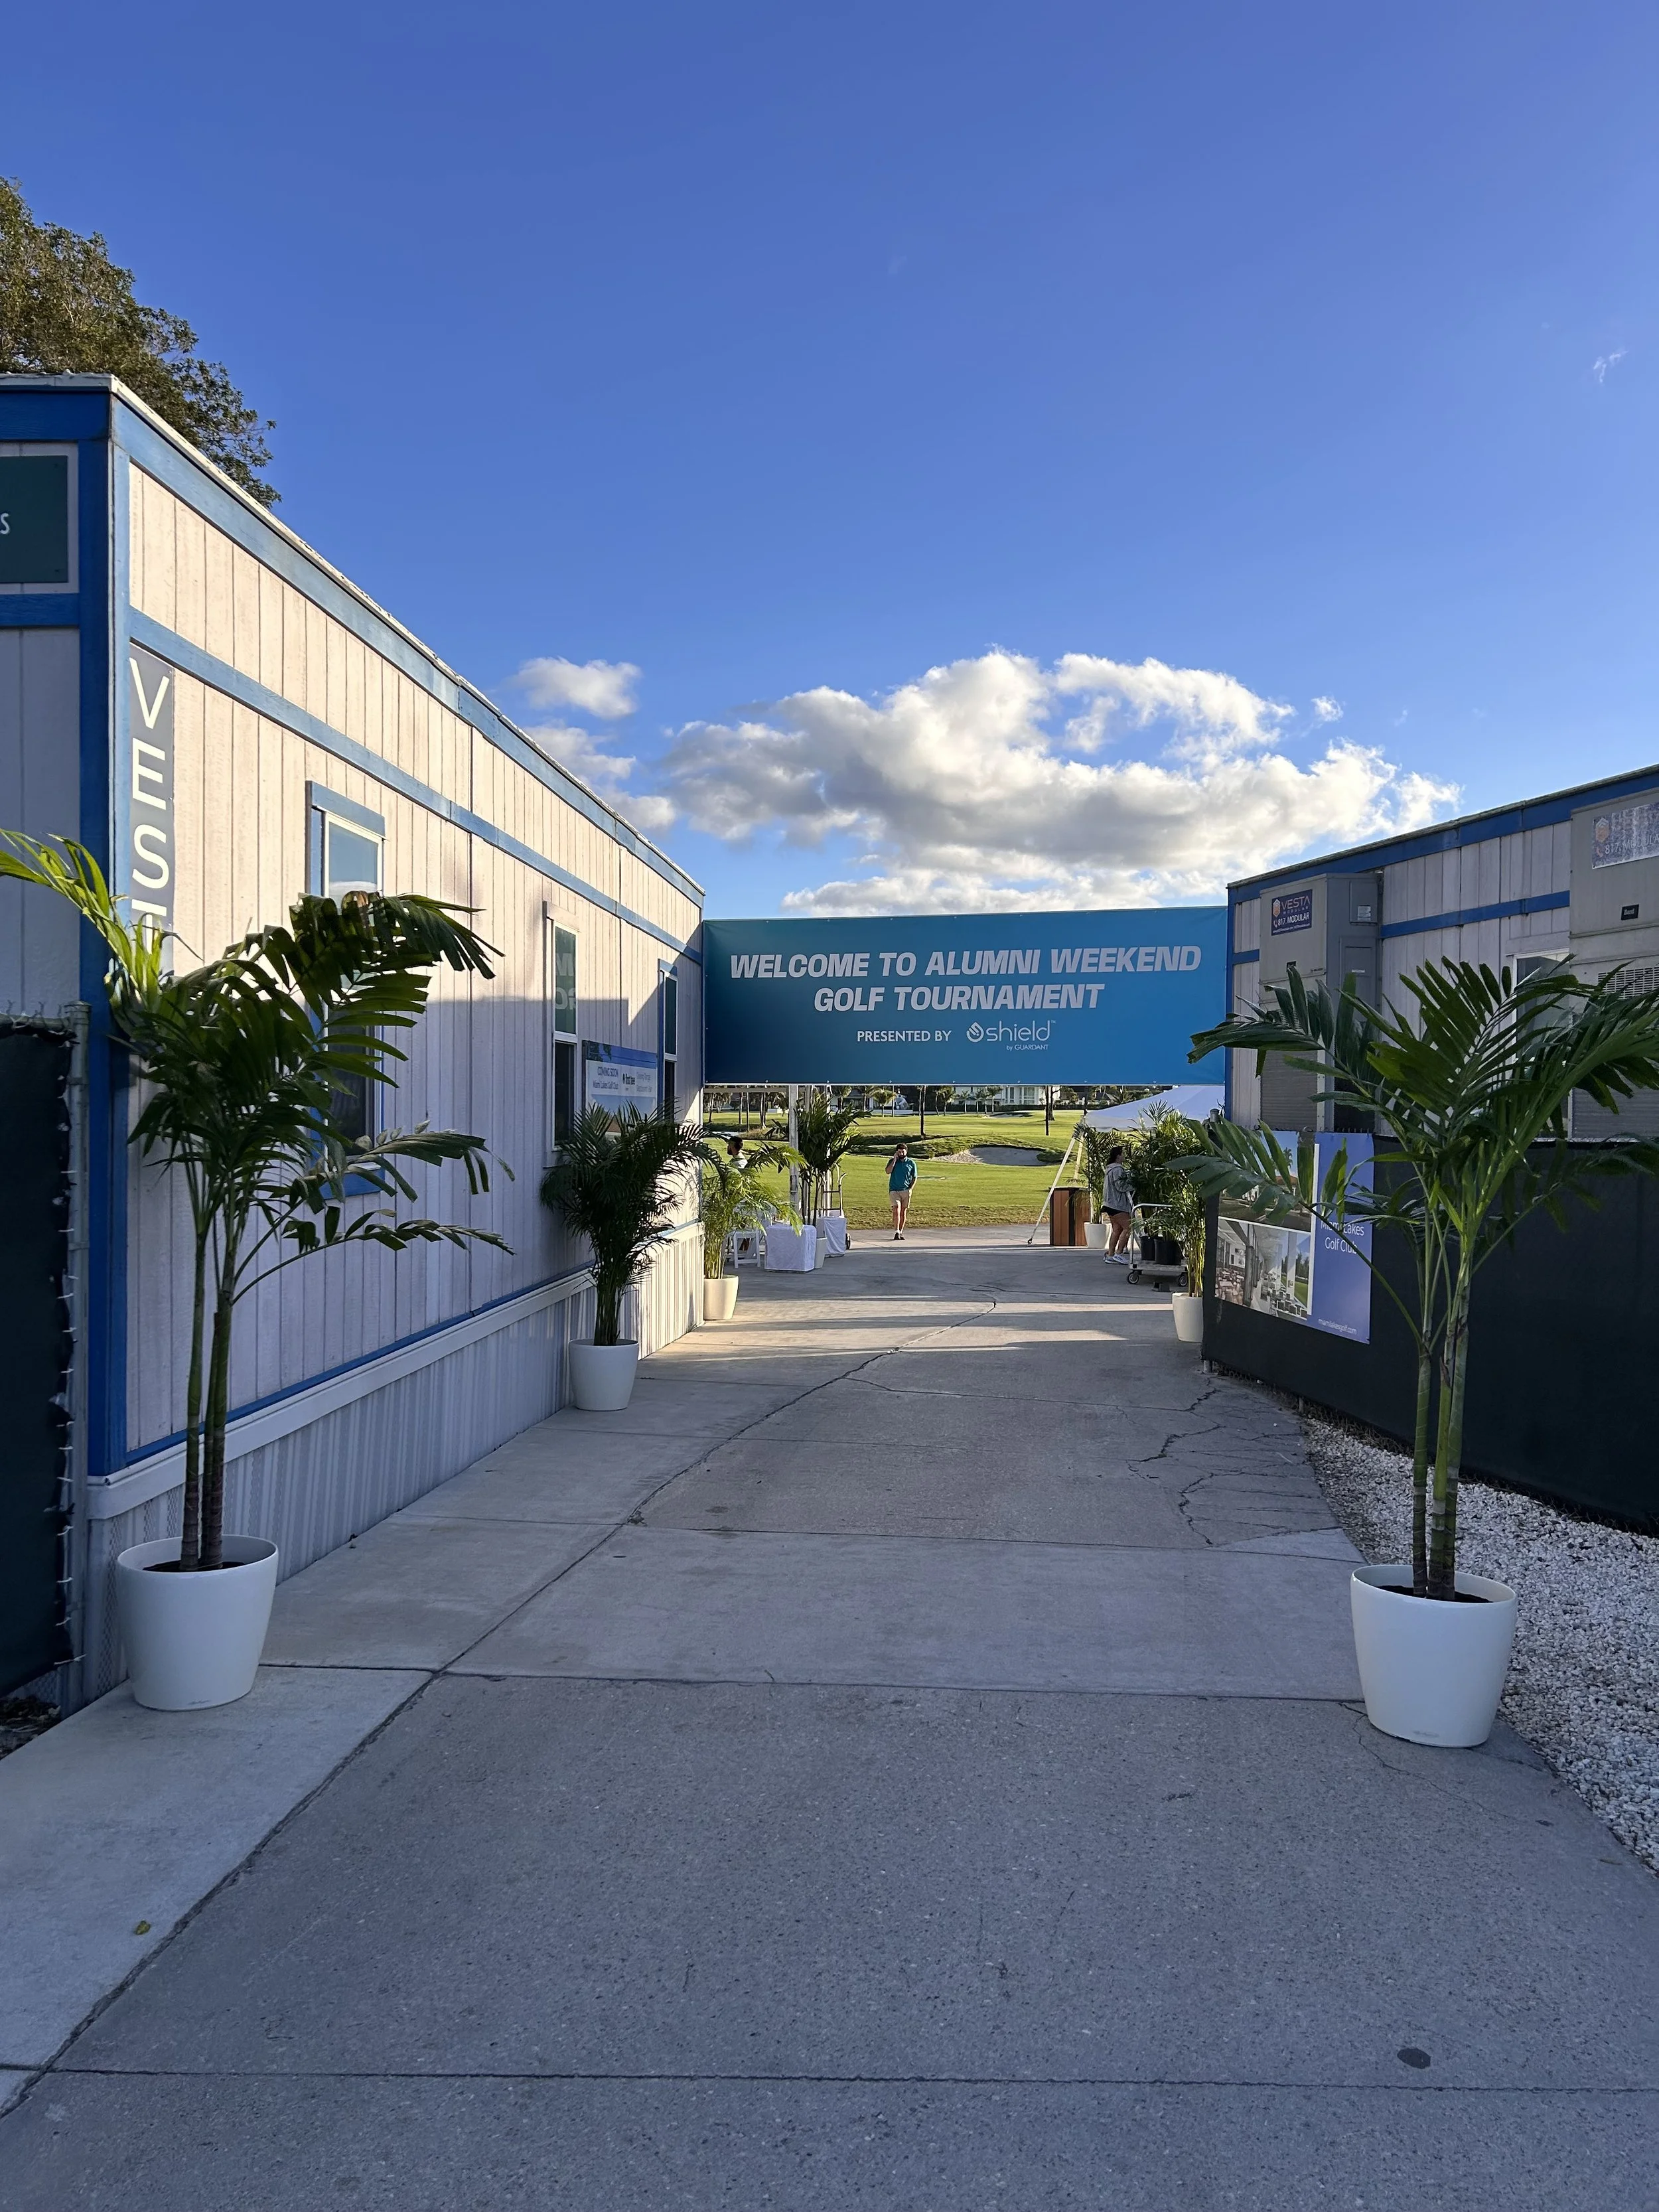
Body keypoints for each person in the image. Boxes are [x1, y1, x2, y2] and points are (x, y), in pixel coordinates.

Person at [1102, 1145, 1135, 1262]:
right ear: (1118, 1156)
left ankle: (1110, 1255)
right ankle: (1119, 1253)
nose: (1124, 1156)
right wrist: (1134, 1185)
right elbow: (1121, 1186)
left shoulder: (1109, 1169)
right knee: (1129, 1227)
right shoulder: (1118, 1170)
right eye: (1123, 1154)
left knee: (1117, 1229)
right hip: (1118, 1204)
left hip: (1109, 1204)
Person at [886, 1142, 918, 1238]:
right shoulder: (892, 1161)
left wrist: (910, 1189)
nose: (901, 1154)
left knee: (903, 1212)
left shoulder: (911, 1163)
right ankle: (896, 1232)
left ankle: (900, 1231)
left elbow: (914, 1177)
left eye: (903, 1152)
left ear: (906, 1152)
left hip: (905, 1190)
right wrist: (894, 1160)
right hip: (894, 1190)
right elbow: (888, 1171)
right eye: (899, 1152)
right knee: (896, 1209)